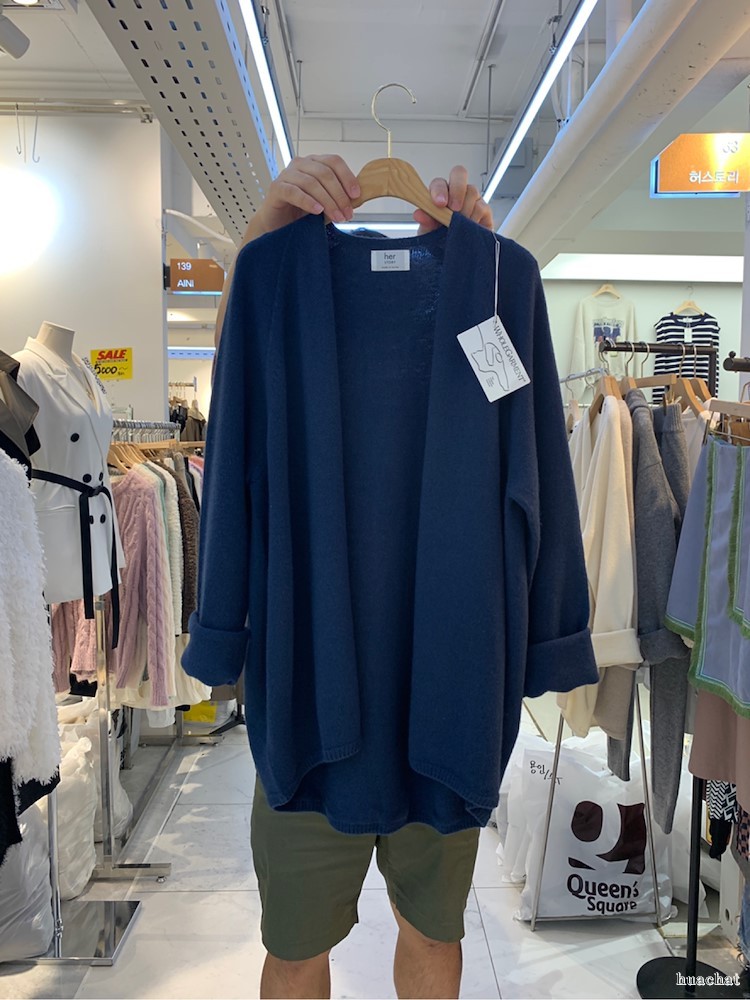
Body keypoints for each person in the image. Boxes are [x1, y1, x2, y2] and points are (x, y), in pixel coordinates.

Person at [214, 156, 493, 1000]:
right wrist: (258, 241)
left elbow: (528, 469)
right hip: (306, 709)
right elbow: (232, 462)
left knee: (434, 936)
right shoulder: (272, 281)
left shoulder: (490, 293)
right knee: (295, 947)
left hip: (441, 704)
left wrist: (482, 274)